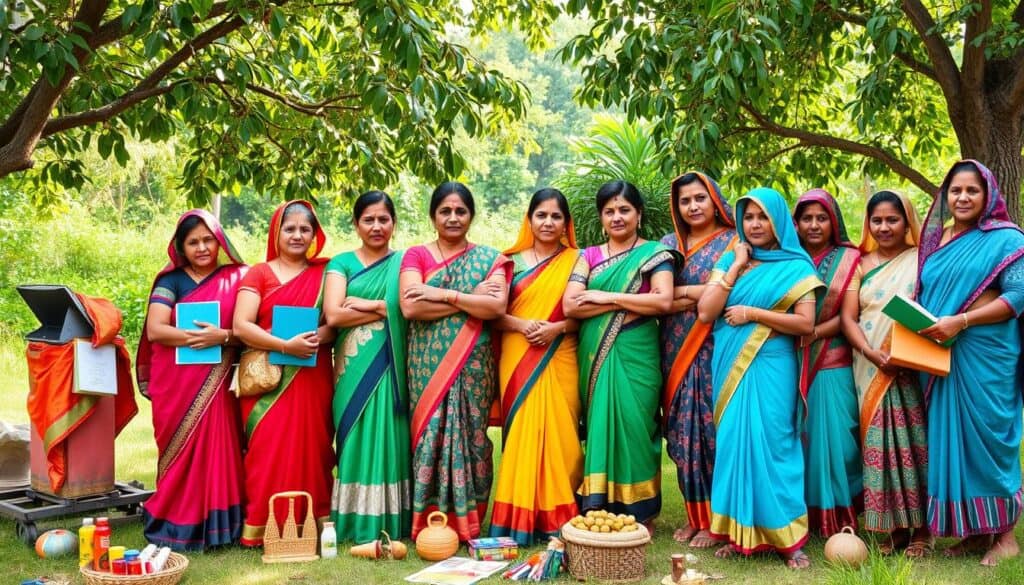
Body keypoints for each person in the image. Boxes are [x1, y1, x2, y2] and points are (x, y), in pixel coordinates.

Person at [697, 187, 821, 569]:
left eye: (763, 217)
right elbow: (706, 312)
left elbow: (806, 323)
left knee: (775, 445)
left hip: (772, 363)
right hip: (729, 362)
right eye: (748, 217)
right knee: (734, 444)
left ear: (779, 221)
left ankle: (788, 540)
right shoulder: (730, 260)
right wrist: (735, 266)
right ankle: (739, 534)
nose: (754, 224)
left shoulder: (798, 267)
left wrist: (754, 313)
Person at [915, 160, 1024, 566]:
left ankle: (1006, 536)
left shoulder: (1006, 239)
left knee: (992, 441)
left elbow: (1016, 298)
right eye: (955, 191)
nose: (961, 198)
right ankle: (976, 533)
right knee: (953, 442)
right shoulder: (939, 241)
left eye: (971, 191)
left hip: (987, 355)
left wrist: (962, 319)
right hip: (943, 352)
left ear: (988, 196)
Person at [399, 182, 512, 541]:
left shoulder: (490, 258)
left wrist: (442, 294)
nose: (452, 217)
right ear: (433, 215)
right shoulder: (415, 255)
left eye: (460, 211)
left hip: (473, 363)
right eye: (445, 211)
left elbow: (494, 307)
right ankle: (427, 522)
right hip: (426, 364)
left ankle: (469, 522)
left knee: (473, 436)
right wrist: (467, 299)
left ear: (471, 216)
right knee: (430, 434)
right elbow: (410, 306)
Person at [564, 180, 677, 526]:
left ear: (638, 214)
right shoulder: (588, 256)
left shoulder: (655, 254)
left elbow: (662, 300)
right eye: (609, 211)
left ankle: (639, 506)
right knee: (600, 421)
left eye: (624, 209)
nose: (617, 217)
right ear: (601, 218)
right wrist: (626, 305)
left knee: (636, 423)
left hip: (637, 351)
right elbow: (571, 304)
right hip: (596, 352)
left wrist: (604, 298)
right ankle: (598, 502)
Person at [136, 209, 247, 550]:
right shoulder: (172, 281)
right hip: (177, 383)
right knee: (179, 452)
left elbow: (250, 327)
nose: (201, 248)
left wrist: (224, 336)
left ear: (220, 242)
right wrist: (198, 338)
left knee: (222, 449)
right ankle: (175, 521)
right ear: (181, 247)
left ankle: (220, 527)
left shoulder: (239, 278)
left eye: (208, 240)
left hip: (219, 384)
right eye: (193, 242)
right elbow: (156, 329)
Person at [233, 200, 336, 546]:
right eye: (289, 229)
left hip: (312, 375)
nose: (297, 235)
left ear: (314, 235)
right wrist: (284, 346)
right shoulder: (259, 273)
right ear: (276, 233)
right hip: (270, 378)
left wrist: (319, 337)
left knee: (314, 447)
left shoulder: (326, 274)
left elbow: (332, 324)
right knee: (267, 449)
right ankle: (263, 526)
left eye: (304, 229)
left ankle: (315, 524)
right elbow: (242, 325)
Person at [490, 188, 583, 546]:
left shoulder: (579, 260)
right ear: (529, 220)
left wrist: (556, 328)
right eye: (541, 215)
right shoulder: (507, 261)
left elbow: (586, 314)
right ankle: (517, 517)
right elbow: (491, 315)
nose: (548, 222)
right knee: (523, 433)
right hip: (518, 354)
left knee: (563, 434)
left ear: (565, 223)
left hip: (561, 352)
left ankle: (560, 515)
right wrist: (521, 325)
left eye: (556, 216)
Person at [839, 190, 930, 556]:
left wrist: (901, 353)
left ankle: (922, 531)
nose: (884, 227)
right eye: (877, 220)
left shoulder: (921, 260)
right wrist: (871, 352)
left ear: (907, 221)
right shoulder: (861, 264)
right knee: (877, 444)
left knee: (914, 446)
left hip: (909, 365)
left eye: (893, 219)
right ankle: (892, 529)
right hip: (869, 364)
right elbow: (848, 317)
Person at [323, 191, 410, 543]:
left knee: (390, 435)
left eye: (383, 219)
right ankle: (354, 520)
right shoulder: (340, 263)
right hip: (351, 368)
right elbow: (334, 314)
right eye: (368, 220)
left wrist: (368, 304)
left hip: (391, 365)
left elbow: (407, 308)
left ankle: (392, 520)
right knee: (354, 434)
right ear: (356, 224)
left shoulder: (405, 263)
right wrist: (384, 307)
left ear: (393, 223)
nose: (377, 226)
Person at [659, 172, 736, 547]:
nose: (692, 206)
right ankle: (694, 516)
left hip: (715, 346)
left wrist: (683, 293)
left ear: (715, 200)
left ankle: (717, 521)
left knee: (711, 433)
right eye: (685, 201)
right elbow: (658, 297)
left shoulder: (734, 241)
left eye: (699, 198)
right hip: (673, 350)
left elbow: (733, 291)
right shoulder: (666, 245)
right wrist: (700, 291)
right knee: (681, 434)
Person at [792, 189, 862, 538]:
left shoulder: (850, 259)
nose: (815, 225)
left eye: (822, 217)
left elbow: (851, 316)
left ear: (834, 221)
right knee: (799, 437)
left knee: (838, 439)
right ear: (796, 223)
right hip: (791, 358)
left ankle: (841, 514)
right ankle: (801, 514)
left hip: (833, 360)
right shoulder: (788, 258)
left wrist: (813, 332)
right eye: (807, 218)